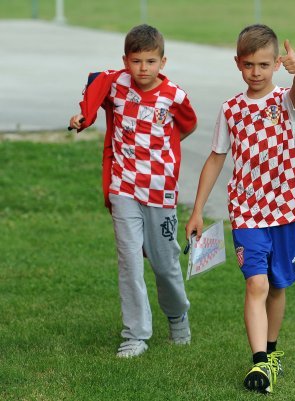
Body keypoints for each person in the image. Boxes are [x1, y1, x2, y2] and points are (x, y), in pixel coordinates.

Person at [185, 24, 295, 394]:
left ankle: (271, 351)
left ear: (275, 65)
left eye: (264, 65)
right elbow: (215, 159)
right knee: (256, 283)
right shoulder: (231, 109)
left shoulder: (285, 102)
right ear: (238, 64)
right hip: (247, 212)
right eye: (248, 65)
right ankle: (259, 364)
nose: (256, 73)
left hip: (284, 209)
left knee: (276, 286)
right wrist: (197, 211)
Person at [69, 24, 197, 358]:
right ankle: (135, 335)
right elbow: (94, 90)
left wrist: (162, 148)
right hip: (123, 187)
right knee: (129, 262)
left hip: (160, 191)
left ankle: (177, 316)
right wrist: (82, 117)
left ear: (163, 62)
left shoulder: (175, 96)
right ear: (125, 60)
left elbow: (189, 124)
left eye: (151, 61)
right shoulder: (116, 84)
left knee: (164, 263)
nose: (143, 69)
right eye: (136, 61)